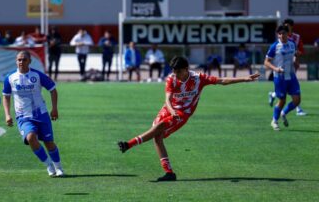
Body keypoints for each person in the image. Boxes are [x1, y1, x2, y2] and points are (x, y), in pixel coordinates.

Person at [117, 56, 259, 181]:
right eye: (173, 71)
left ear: (186, 69)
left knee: (159, 128)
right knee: (157, 137)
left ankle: (129, 144)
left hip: (183, 113)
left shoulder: (199, 79)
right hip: (169, 109)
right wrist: (172, 111)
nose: (175, 74)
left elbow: (222, 80)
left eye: (178, 71)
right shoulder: (171, 79)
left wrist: (244, 79)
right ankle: (169, 173)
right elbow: (167, 99)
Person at [2, 50, 64, 177]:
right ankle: (49, 165)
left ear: (30, 61)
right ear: (16, 61)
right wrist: (7, 114)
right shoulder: (10, 78)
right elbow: (6, 96)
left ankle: (59, 167)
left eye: (24, 59)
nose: (21, 62)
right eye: (19, 59)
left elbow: (53, 90)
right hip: (23, 116)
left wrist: (54, 108)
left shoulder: (37, 75)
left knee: (49, 143)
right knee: (30, 138)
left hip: (41, 114)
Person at [264, 25, 301, 131]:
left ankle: (283, 113)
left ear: (287, 34)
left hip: (292, 76)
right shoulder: (274, 46)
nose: (282, 35)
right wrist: (275, 69)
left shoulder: (292, 44)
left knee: (297, 100)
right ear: (277, 35)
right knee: (282, 100)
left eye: (284, 33)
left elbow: (295, 54)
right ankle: (274, 121)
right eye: (280, 34)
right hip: (280, 78)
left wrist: (295, 61)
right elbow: (266, 62)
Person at [268, 18, 307, 116]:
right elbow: (269, 59)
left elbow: (300, 50)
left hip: (291, 68)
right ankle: (278, 113)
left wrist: (296, 59)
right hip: (280, 71)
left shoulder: (296, 38)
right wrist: (276, 68)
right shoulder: (277, 43)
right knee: (283, 96)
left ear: (291, 27)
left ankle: (294, 108)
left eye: (287, 26)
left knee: (294, 93)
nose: (285, 29)